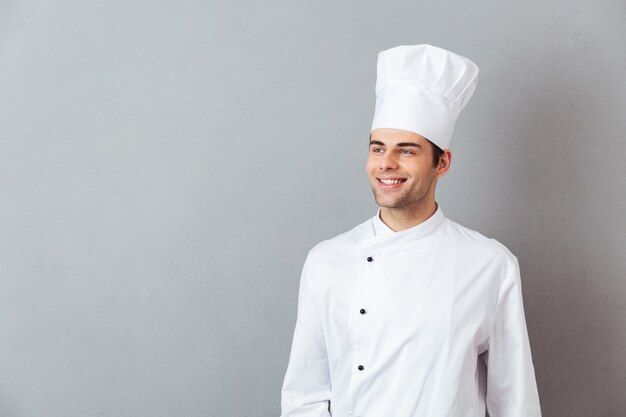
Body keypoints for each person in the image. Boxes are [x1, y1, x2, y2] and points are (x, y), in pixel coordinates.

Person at [280, 44, 541, 417]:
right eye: (377, 148)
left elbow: (515, 403)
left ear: (442, 163)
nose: (386, 164)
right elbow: (303, 398)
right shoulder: (326, 260)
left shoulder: (490, 265)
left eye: (406, 151)